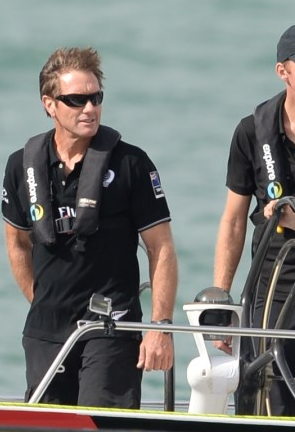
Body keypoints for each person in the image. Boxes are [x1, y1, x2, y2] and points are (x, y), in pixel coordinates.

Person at [2, 47, 178, 408]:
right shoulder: (20, 166)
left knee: (98, 423)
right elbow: (17, 242)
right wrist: (41, 299)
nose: (89, 108)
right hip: (45, 333)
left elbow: (161, 247)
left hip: (110, 328)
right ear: (49, 104)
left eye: (96, 98)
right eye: (76, 100)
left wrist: (160, 326)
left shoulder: (132, 164)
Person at [212, 24, 295, 416]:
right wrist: (222, 299)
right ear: (282, 71)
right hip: (272, 284)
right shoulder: (250, 131)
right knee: (267, 399)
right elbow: (233, 221)